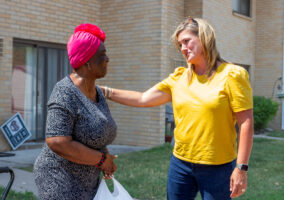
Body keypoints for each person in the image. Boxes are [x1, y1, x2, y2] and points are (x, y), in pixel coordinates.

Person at [101, 18, 254, 200]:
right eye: (180, 44)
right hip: (181, 165)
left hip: (218, 167)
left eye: (187, 41)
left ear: (205, 38)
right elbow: (143, 98)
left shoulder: (232, 75)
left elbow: (246, 123)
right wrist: (104, 91)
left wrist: (241, 168)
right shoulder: (179, 78)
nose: (183, 48)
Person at [34, 23, 118, 200]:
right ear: (87, 61)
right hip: (59, 180)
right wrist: (101, 160)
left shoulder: (97, 92)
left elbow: (96, 130)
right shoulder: (65, 92)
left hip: (88, 180)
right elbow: (57, 141)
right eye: (102, 55)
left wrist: (105, 159)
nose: (108, 59)